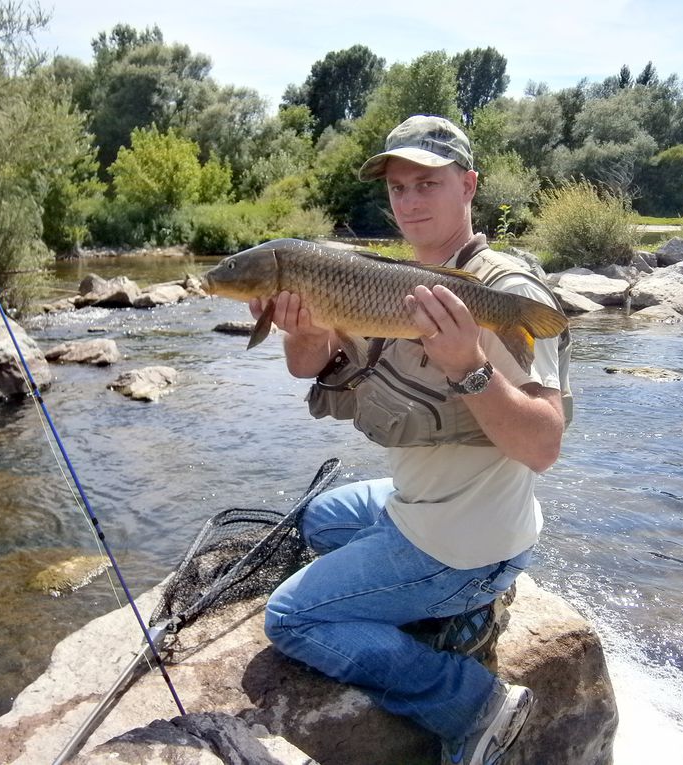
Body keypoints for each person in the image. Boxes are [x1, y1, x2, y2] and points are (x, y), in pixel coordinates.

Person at [254, 115, 571, 765]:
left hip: (465, 542)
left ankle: (471, 701)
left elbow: (543, 446)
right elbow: (309, 367)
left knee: (290, 618)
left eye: (427, 183)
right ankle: (453, 611)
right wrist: (305, 330)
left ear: (468, 186)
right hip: (420, 506)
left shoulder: (508, 293)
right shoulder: (393, 284)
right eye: (399, 188)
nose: (409, 201)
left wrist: (469, 367)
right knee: (317, 518)